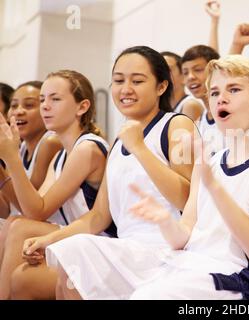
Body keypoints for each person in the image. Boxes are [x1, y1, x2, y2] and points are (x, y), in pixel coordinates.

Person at [18, 46, 196, 300]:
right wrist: (51, 239)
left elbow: (189, 199)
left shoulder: (177, 125)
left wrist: (140, 149)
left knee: (75, 265)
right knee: (67, 275)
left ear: (161, 87)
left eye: (137, 81)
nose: (126, 89)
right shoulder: (119, 142)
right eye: (118, 80)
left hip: (168, 249)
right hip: (128, 248)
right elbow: (99, 216)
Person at [126, 55, 249, 300]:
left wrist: (214, 186)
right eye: (215, 92)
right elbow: (184, 236)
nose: (222, 98)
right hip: (192, 266)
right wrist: (164, 221)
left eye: (234, 89)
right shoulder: (210, 162)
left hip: (241, 283)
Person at [0, 70, 109, 299]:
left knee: (21, 228)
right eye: (42, 100)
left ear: (82, 107)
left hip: (98, 242)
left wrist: (11, 158)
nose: (45, 106)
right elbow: (32, 209)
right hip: (77, 240)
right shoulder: (62, 155)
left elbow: (35, 211)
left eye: (55, 99)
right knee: (15, 223)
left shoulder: (87, 149)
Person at [0, 81, 62, 218]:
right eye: (14, 105)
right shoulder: (21, 147)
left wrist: (5, 163)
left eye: (29, 105)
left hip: (51, 229)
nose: (19, 111)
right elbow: (6, 210)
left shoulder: (50, 142)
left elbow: (27, 209)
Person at [181, 45, 224, 153]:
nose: (190, 77)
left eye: (198, 70)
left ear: (215, 71)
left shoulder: (231, 113)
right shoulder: (200, 123)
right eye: (185, 73)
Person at [160, 51, 204, 121]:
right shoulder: (163, 108)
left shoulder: (190, 105)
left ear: (183, 75)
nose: (162, 75)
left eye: (168, 69)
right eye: (159, 71)